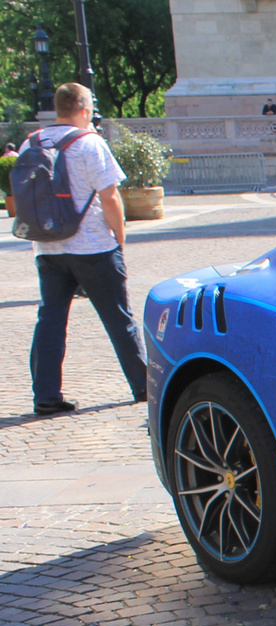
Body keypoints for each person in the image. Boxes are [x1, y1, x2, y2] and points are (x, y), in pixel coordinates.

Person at [23, 83, 146, 416]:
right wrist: (119, 238)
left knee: (49, 320)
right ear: (83, 109)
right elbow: (110, 196)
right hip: (92, 246)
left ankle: (46, 395)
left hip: (48, 247)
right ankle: (143, 386)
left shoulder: (32, 142)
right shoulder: (90, 143)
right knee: (119, 319)